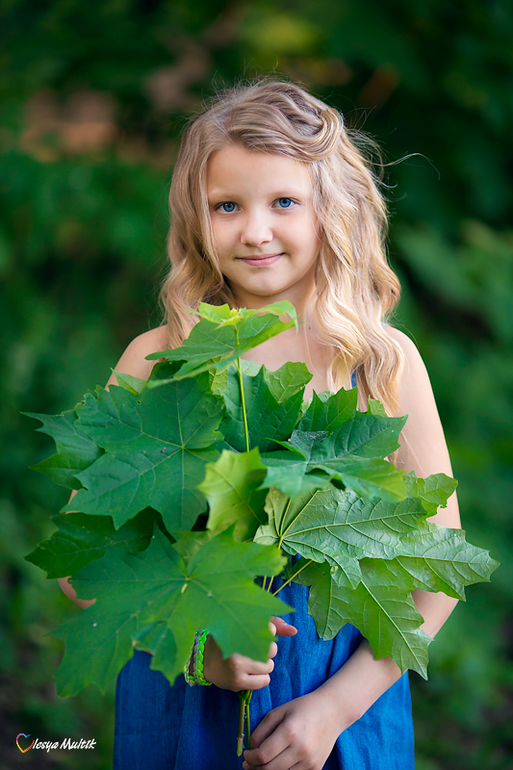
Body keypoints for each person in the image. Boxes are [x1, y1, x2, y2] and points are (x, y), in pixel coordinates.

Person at [60, 79, 460, 770]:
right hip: (185, 703)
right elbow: (82, 563)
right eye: (226, 205)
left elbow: (440, 570)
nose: (254, 230)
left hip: (339, 709)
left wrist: (336, 706)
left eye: (283, 202)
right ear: (195, 217)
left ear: (329, 211)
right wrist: (193, 647)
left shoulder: (376, 362)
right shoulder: (158, 359)